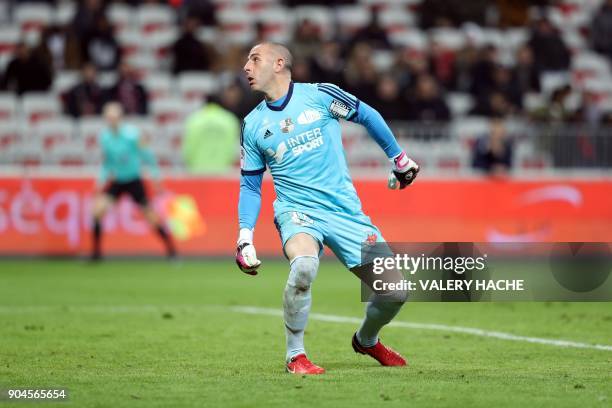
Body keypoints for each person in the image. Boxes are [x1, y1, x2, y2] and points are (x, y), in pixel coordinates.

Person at [237, 43, 419, 374]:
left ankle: (366, 340)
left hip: (344, 212)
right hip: (297, 211)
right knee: (304, 266)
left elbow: (367, 115)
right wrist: (244, 236)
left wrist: (399, 158)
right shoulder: (252, 125)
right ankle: (296, 355)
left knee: (395, 291)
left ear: (279, 63)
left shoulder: (321, 96)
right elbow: (250, 184)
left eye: (254, 59)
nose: (246, 67)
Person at [91, 102, 176, 261]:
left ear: (120, 118)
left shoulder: (132, 135)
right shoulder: (105, 138)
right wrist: (100, 181)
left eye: (114, 117)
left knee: (151, 217)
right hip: (117, 180)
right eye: (109, 118)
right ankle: (96, 254)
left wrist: (156, 178)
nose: (112, 121)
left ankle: (171, 251)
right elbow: (107, 162)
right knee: (97, 212)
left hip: (134, 180)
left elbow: (148, 157)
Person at [182, 93, 240, 173]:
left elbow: (188, 150)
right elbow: (234, 150)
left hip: (197, 172)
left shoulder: (194, 120)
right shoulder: (230, 120)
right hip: (223, 172)